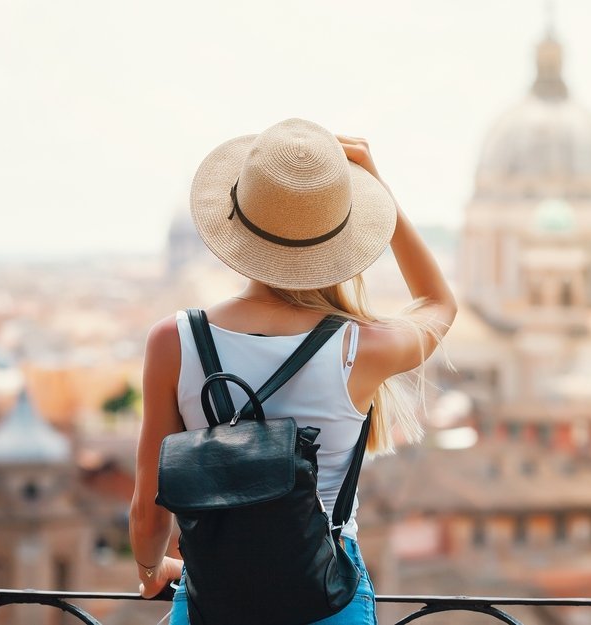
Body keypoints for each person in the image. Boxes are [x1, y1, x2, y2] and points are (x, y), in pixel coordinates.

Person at [129, 118, 457, 624]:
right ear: (343, 235)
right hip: (326, 598)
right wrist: (380, 193)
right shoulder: (361, 346)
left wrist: (152, 570)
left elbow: (150, 507)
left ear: (237, 221)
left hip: (212, 600)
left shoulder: (173, 341)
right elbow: (438, 303)